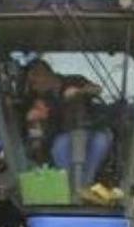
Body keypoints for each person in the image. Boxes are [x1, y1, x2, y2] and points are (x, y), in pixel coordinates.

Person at [21, 58, 113, 187]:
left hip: (93, 129)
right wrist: (33, 121)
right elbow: (36, 132)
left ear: (44, 74)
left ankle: (87, 183)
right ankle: (70, 187)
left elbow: (97, 89)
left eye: (34, 82)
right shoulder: (40, 99)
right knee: (59, 147)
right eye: (31, 84)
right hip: (63, 134)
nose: (34, 87)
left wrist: (80, 91)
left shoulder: (74, 80)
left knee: (101, 142)